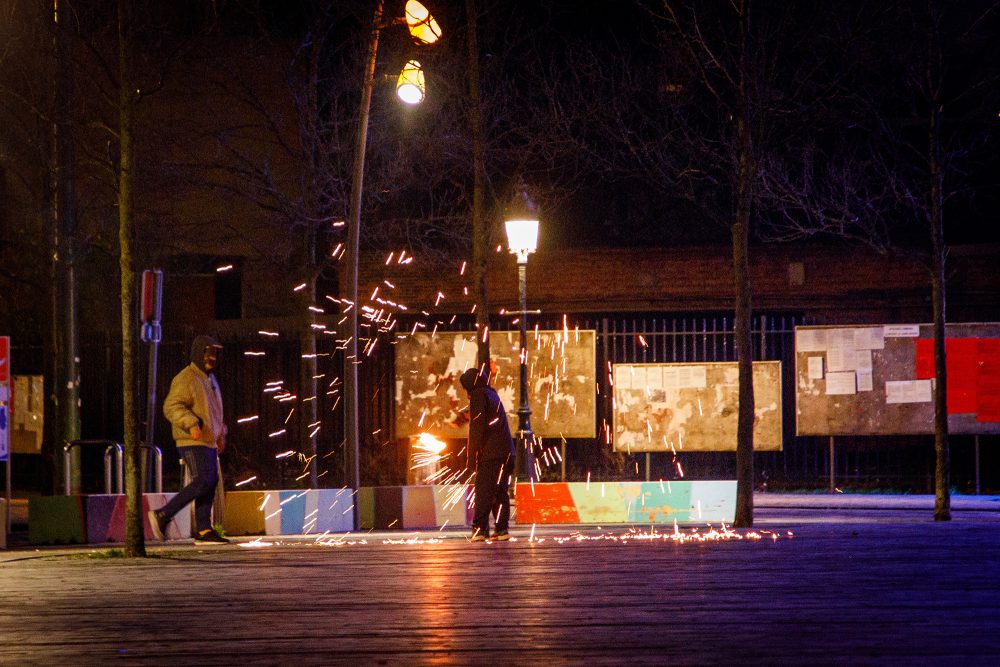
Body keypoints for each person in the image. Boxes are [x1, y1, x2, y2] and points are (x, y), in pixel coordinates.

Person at [149, 335, 229, 545]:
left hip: (207, 440)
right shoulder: (186, 378)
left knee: (210, 481)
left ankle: (204, 530)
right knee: (203, 480)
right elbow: (171, 406)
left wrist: (221, 434)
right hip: (191, 439)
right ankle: (163, 514)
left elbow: (215, 411)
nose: (212, 358)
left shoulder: (210, 380)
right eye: (208, 353)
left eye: (215, 354)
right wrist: (191, 423)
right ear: (198, 353)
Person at [460, 365, 515, 542]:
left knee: (483, 491)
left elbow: (477, 428)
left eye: (467, 389)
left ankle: (479, 530)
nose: (467, 394)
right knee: (500, 491)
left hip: (491, 454)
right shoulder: (491, 393)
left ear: (471, 386)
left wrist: (471, 458)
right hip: (507, 452)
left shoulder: (478, 395)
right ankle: (502, 529)